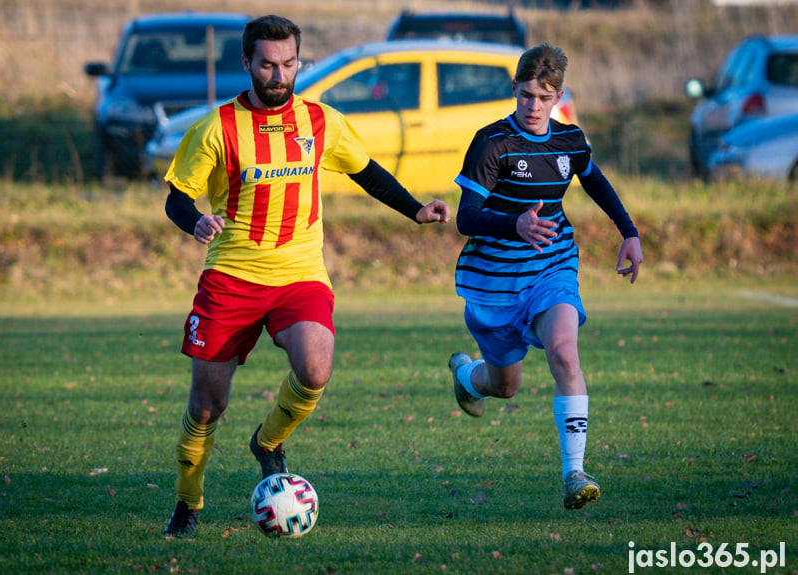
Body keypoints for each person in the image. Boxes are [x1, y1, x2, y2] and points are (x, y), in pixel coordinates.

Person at [161, 15, 450, 537]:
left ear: (300, 62)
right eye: (268, 65)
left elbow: (366, 170)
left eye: (289, 64)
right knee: (206, 407)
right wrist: (196, 220)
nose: (279, 75)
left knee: (315, 370)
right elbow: (177, 195)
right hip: (231, 278)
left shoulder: (321, 122)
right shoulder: (216, 127)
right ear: (246, 62)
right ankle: (188, 504)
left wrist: (414, 210)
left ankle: (268, 442)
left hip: (300, 274)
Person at [447, 43, 643, 510]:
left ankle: (574, 473)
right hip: (494, 282)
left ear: (558, 98)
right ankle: (466, 376)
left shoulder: (570, 141)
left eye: (545, 97)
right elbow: (466, 217)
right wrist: (513, 223)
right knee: (505, 386)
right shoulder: (493, 143)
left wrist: (629, 232)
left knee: (564, 353)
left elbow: (594, 180)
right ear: (513, 89)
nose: (534, 106)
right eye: (527, 95)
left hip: (551, 268)